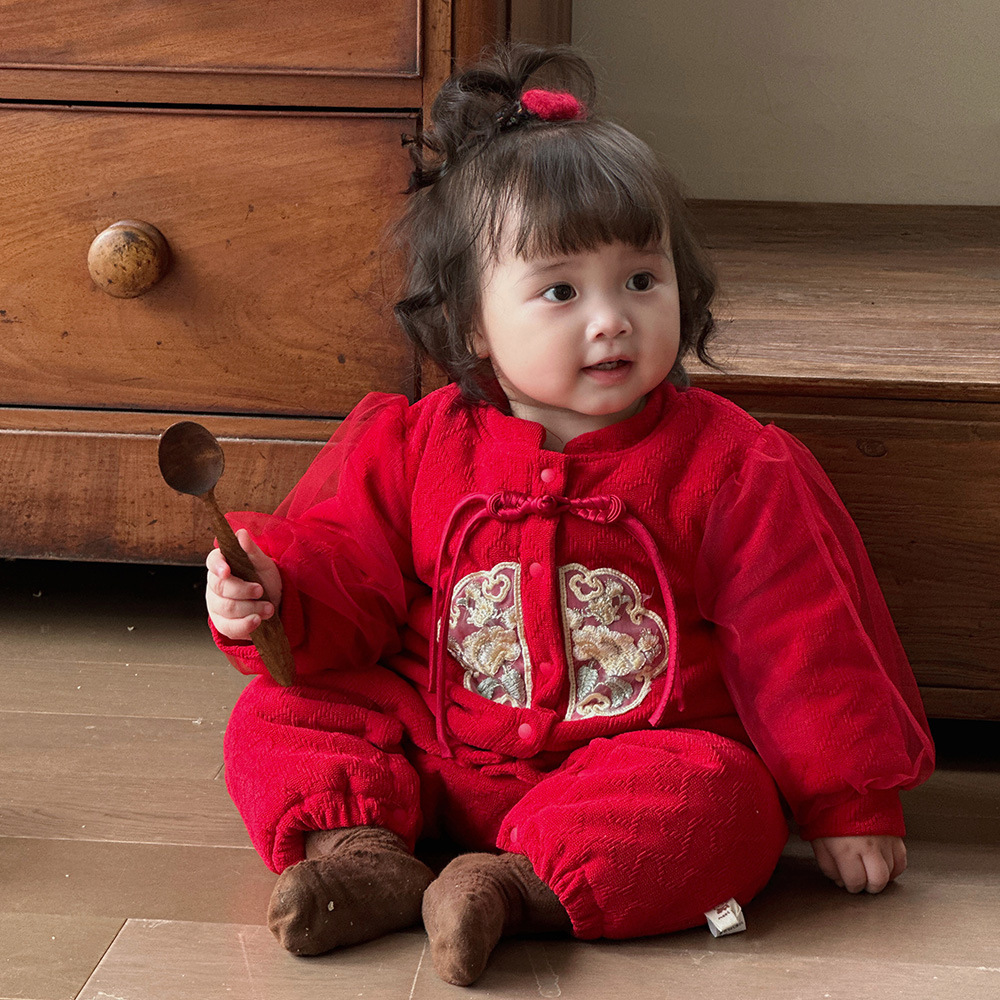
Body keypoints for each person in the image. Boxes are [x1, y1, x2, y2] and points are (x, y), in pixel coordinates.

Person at [205, 43, 934, 987]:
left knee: (727, 804)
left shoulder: (731, 465)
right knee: (276, 713)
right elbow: (344, 568)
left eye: (641, 279)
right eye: (560, 290)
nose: (612, 319)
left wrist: (847, 802)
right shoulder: (414, 443)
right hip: (431, 741)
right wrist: (273, 588)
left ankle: (511, 890)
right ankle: (361, 856)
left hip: (627, 767)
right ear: (471, 321)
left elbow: (807, 638)